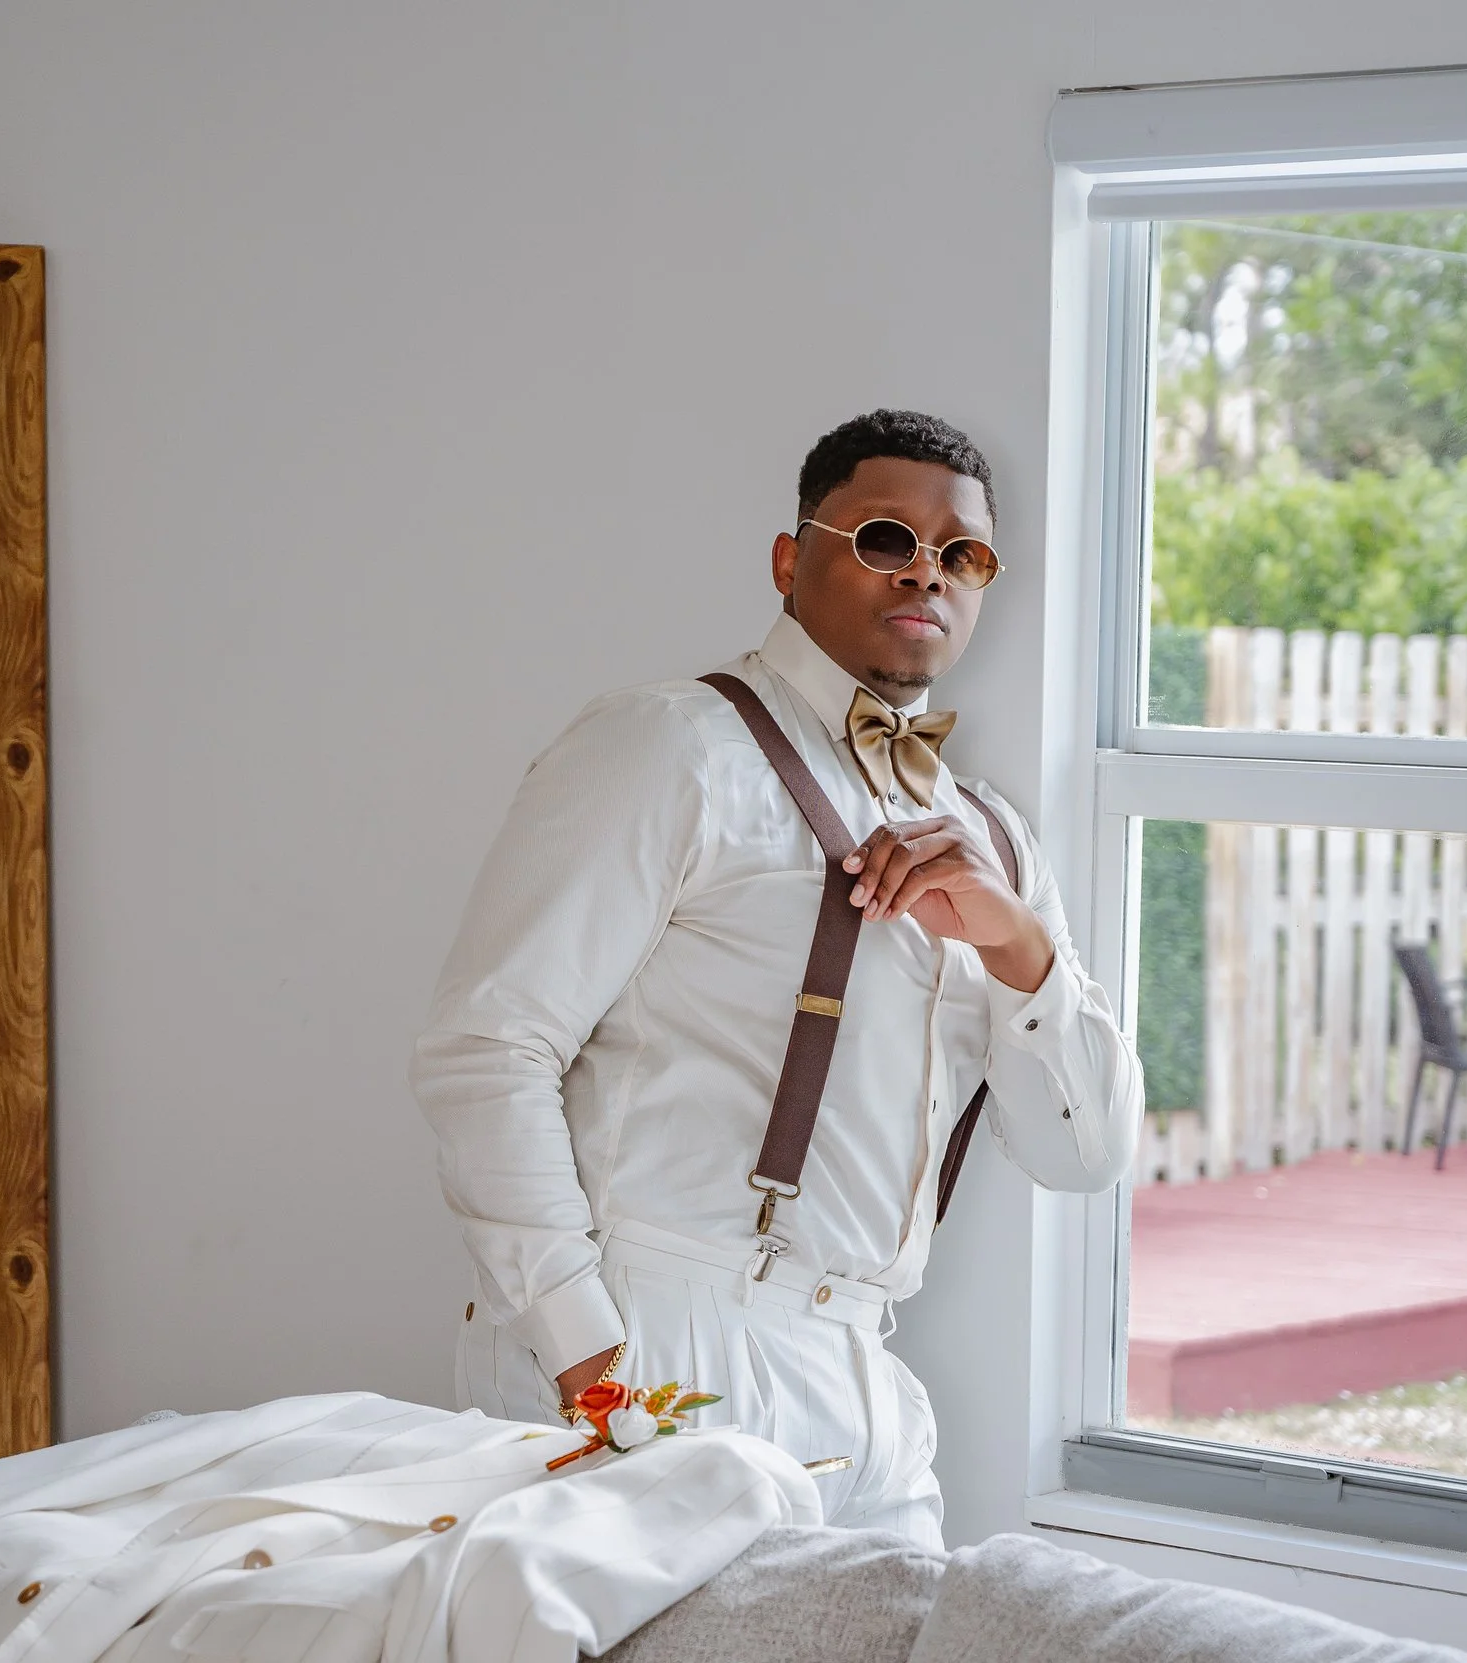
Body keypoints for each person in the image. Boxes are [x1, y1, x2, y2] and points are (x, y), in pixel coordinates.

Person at [413, 410, 1143, 1547]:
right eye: (887, 538)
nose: (928, 574)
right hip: (656, 1332)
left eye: (963, 555)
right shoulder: (670, 746)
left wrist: (1017, 948)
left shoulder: (990, 832)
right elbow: (486, 1050)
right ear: (789, 558)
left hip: (862, 1376)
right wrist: (587, 1355)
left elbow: (1084, 1153)